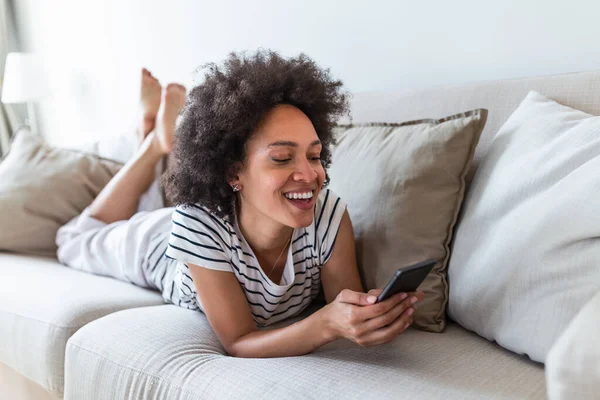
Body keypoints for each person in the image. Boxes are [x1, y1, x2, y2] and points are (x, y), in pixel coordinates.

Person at [56, 50, 424, 359]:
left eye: (314, 156)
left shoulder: (328, 215)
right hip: (156, 246)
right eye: (282, 158)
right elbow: (238, 341)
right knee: (77, 237)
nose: (310, 175)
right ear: (234, 172)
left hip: (216, 217)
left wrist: (368, 315)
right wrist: (327, 323)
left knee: (143, 206)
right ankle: (153, 144)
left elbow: (343, 304)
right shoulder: (195, 224)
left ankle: (153, 135)